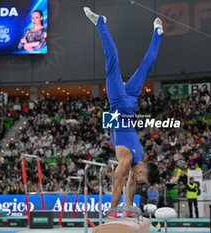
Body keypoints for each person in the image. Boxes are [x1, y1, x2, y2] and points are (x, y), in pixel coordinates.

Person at [83, 7, 162, 217]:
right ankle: (101, 23)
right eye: (141, 179)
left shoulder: (140, 157)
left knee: (146, 67)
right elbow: (118, 185)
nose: (138, 181)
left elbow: (131, 187)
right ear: (143, 170)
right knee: (111, 61)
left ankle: (158, 34)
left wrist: (128, 212)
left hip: (131, 106)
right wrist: (112, 213)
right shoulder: (127, 160)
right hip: (119, 104)